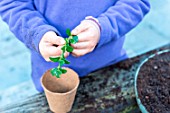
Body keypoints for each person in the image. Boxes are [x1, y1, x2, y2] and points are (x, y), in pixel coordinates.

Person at [0, 0, 150, 92]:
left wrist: (104, 27)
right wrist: (36, 33)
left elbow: (137, 2)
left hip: (110, 67)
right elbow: (12, 3)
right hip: (50, 75)